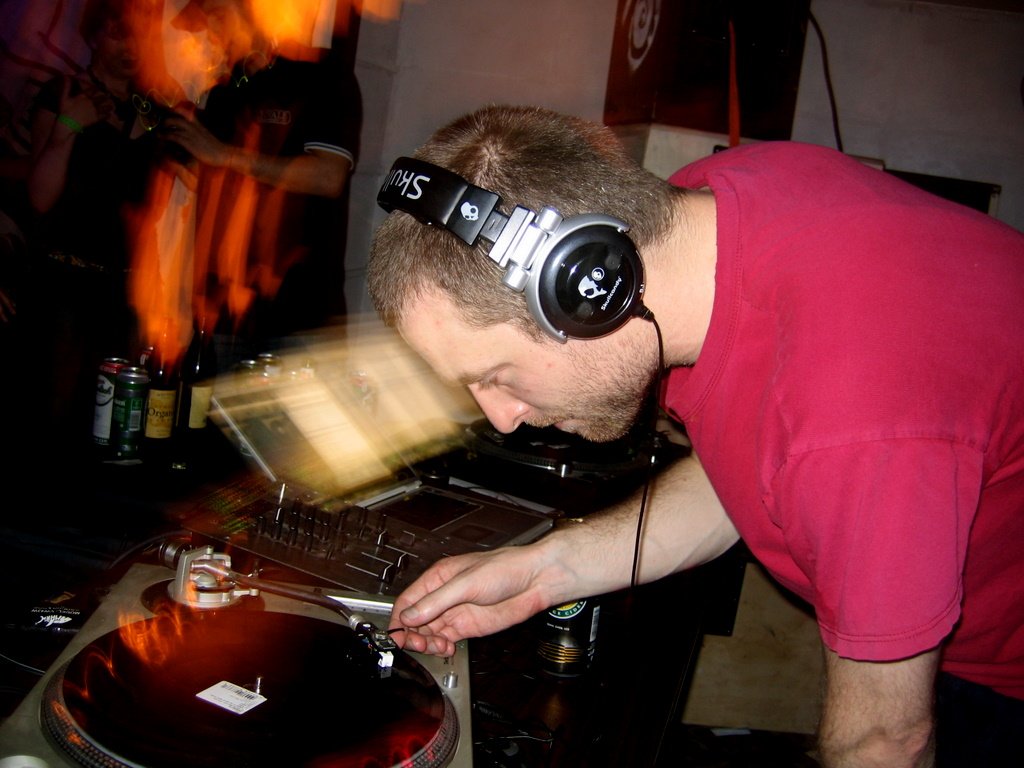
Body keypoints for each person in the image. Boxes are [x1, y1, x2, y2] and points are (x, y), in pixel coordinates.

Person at [367, 105, 1024, 767]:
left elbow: (886, 742)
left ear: (588, 283)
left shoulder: (858, 413)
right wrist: (544, 571)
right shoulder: (709, 212)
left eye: (495, 375)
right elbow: (752, 466)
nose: (502, 417)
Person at [162, 0, 361, 366]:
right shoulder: (224, 95)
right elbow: (210, 189)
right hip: (224, 315)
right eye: (203, 22)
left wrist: (225, 155)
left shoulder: (321, 75)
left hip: (299, 319)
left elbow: (328, 176)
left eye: (216, 15)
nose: (208, 31)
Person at [20, 0, 161, 455]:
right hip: (66, 282)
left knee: (117, 419)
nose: (131, 46)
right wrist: (68, 126)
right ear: (96, 36)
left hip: (124, 289)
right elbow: (39, 196)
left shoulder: (152, 107)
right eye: (120, 34)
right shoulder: (65, 92)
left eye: (140, 34)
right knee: (55, 416)